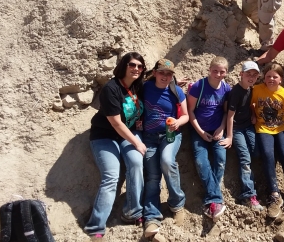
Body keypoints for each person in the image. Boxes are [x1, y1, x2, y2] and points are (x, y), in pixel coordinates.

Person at [84, 52, 147, 239]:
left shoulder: (138, 85)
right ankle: (96, 226)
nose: (136, 69)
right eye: (132, 65)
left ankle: (132, 212)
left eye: (140, 66)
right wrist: (137, 142)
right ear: (124, 66)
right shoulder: (110, 89)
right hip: (105, 136)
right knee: (111, 176)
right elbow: (116, 123)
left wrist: (176, 82)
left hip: (127, 133)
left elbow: (155, 76)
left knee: (136, 163)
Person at [141, 59, 189, 238]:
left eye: (169, 74)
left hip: (171, 135)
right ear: (154, 73)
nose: (165, 76)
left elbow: (185, 116)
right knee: (152, 175)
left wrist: (177, 122)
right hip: (149, 137)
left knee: (168, 161)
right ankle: (152, 217)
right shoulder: (145, 88)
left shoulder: (176, 91)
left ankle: (177, 204)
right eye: (161, 73)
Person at [251, 62, 284, 219]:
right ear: (264, 77)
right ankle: (274, 194)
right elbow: (250, 103)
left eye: (275, 76)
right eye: (268, 76)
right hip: (263, 128)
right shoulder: (257, 90)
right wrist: (252, 113)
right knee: (267, 154)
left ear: (281, 79)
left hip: (282, 128)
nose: (271, 79)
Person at [187, 56, 231, 220]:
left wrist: (221, 128)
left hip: (218, 129)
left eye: (222, 71)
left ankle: (212, 197)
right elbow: (190, 111)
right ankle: (215, 199)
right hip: (198, 129)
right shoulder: (199, 86)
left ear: (226, 72)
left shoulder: (226, 88)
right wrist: (200, 132)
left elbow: (226, 111)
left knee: (220, 159)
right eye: (215, 71)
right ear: (209, 70)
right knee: (201, 161)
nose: (218, 74)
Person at [224, 61, 264, 211]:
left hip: (248, 125)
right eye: (248, 74)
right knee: (245, 158)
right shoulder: (236, 92)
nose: (251, 77)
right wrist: (229, 136)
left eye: (254, 75)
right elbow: (230, 115)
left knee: (256, 151)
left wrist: (253, 114)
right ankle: (249, 195)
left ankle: (255, 186)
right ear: (241, 74)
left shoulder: (250, 89)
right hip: (237, 129)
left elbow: (250, 104)